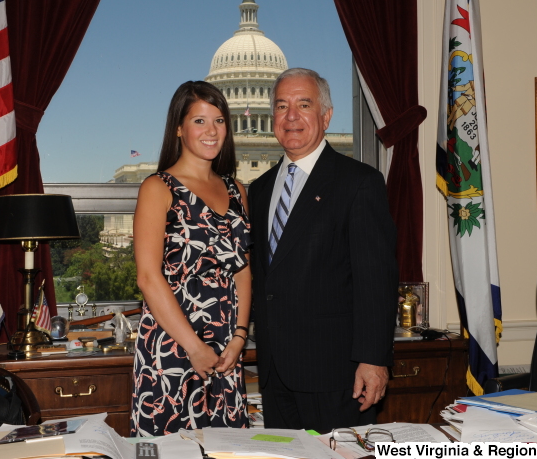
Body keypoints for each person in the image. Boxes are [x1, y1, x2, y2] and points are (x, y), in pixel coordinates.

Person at [248, 68, 398, 433]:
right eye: (281, 106)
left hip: (336, 373)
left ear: (326, 116)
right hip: (274, 373)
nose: (291, 116)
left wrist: (374, 360)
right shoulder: (259, 189)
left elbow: (376, 281)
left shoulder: (359, 183)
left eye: (304, 104)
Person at [131, 81, 252, 436]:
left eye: (219, 120)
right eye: (199, 121)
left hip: (226, 349)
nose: (211, 131)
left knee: (227, 448)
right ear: (179, 129)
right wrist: (194, 347)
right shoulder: (158, 187)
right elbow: (148, 278)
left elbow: (241, 271)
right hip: (172, 347)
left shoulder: (237, 190)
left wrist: (240, 337)